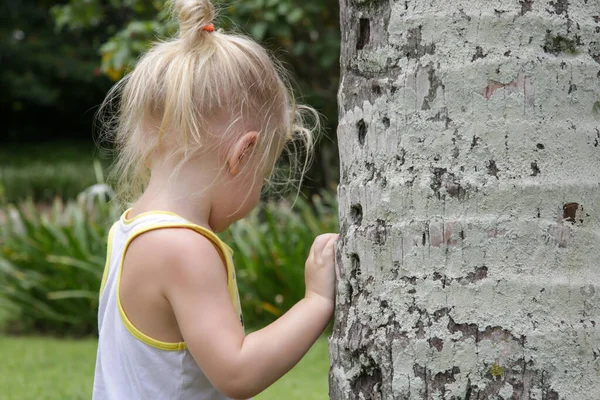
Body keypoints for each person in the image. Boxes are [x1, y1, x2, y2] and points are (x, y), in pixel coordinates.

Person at [92, 0, 338, 399]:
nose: (260, 192)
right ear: (242, 154)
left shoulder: (130, 230)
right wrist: (317, 301)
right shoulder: (184, 248)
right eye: (264, 174)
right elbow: (237, 372)